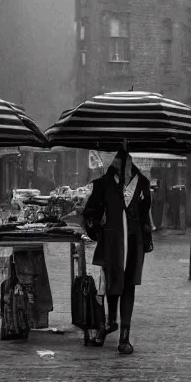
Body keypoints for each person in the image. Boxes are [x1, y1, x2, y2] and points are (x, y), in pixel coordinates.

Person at [82, 150, 155, 354]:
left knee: (129, 284)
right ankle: (110, 322)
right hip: (112, 241)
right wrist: (98, 224)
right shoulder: (103, 184)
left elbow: (145, 214)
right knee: (113, 283)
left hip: (133, 241)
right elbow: (91, 212)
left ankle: (125, 334)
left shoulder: (142, 184)